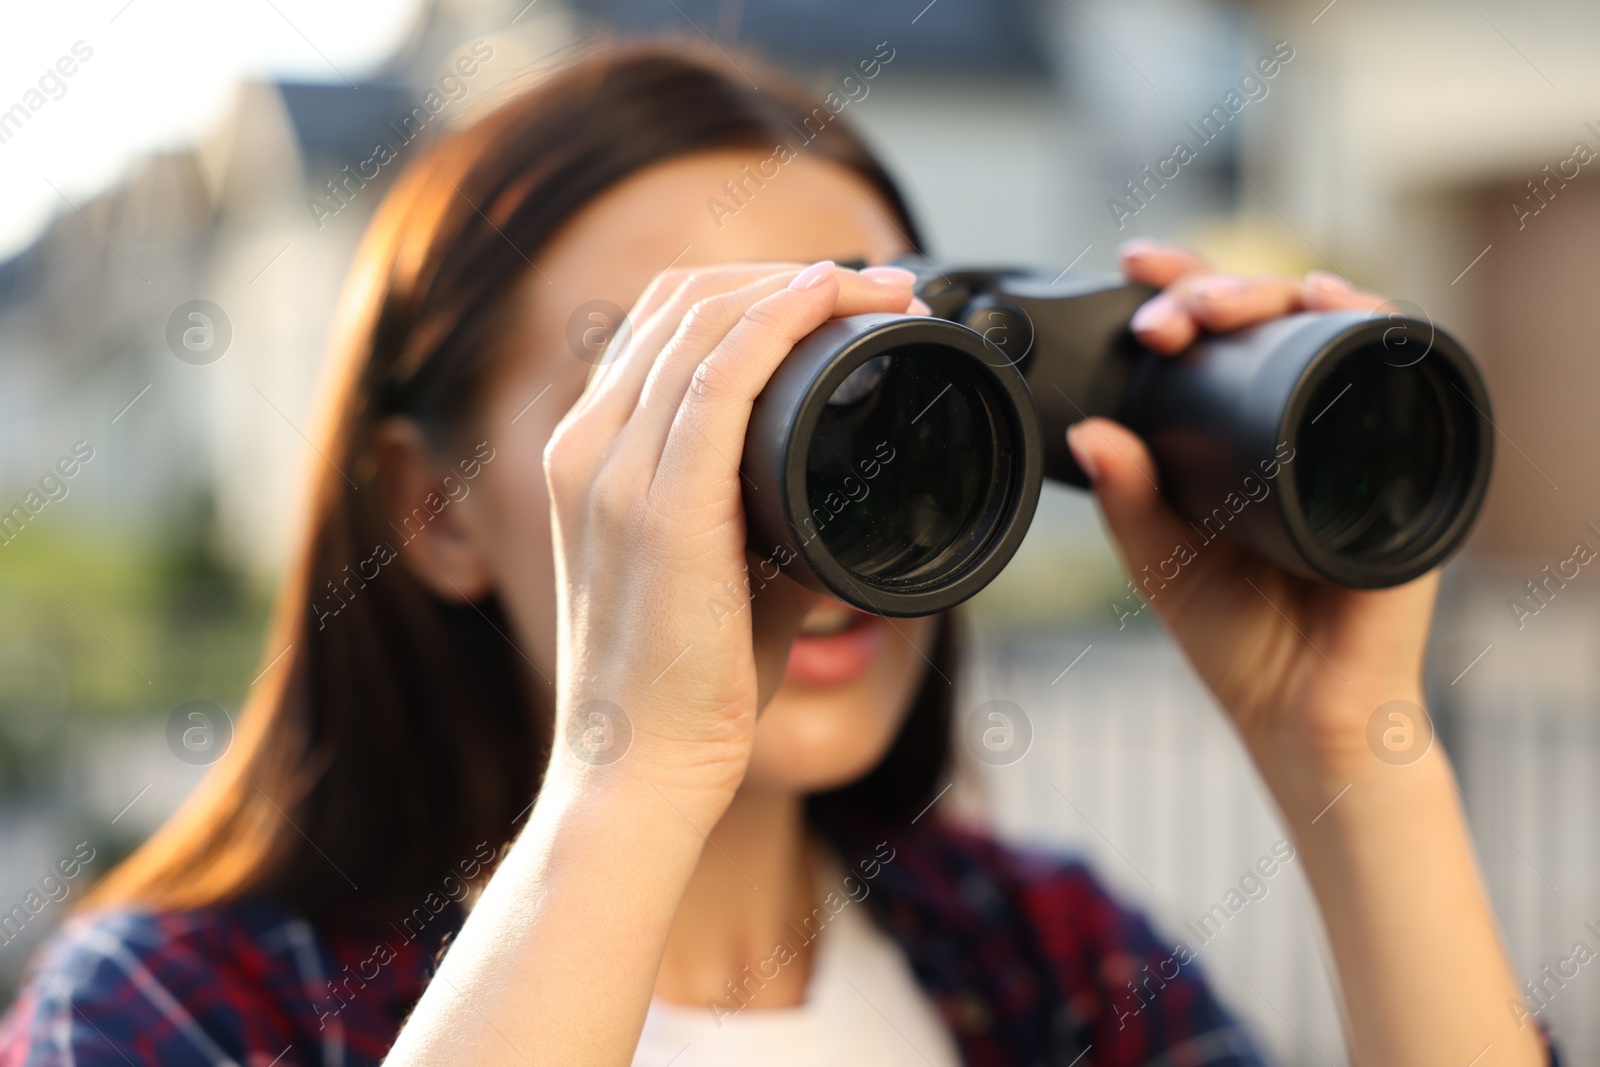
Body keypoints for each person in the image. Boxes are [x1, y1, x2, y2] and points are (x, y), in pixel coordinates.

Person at [0, 42, 1558, 1067]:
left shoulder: (1036, 963)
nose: (832, 509)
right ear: (435, 505)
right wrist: (631, 768)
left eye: (876, 385)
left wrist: (1356, 750)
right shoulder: (179, 1008)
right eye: (680, 400)